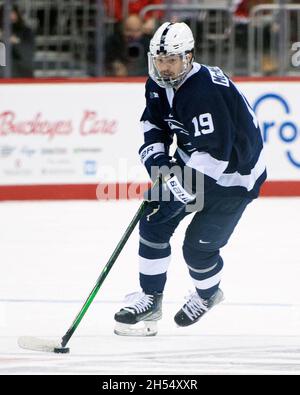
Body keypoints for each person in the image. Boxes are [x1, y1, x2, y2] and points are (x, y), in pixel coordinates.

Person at [114, 22, 267, 336]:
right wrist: (160, 170)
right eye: (159, 60)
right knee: (154, 221)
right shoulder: (157, 84)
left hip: (235, 178)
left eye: (171, 60)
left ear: (189, 57)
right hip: (196, 163)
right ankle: (150, 297)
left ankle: (209, 294)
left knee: (197, 250)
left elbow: (215, 157)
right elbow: (152, 127)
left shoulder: (204, 91)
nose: (164, 67)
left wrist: (176, 190)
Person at [0, 4, 35, 78]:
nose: (9, 15)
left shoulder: (26, 31)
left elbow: (28, 53)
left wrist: (13, 41)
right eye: (5, 13)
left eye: (12, 12)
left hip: (21, 74)